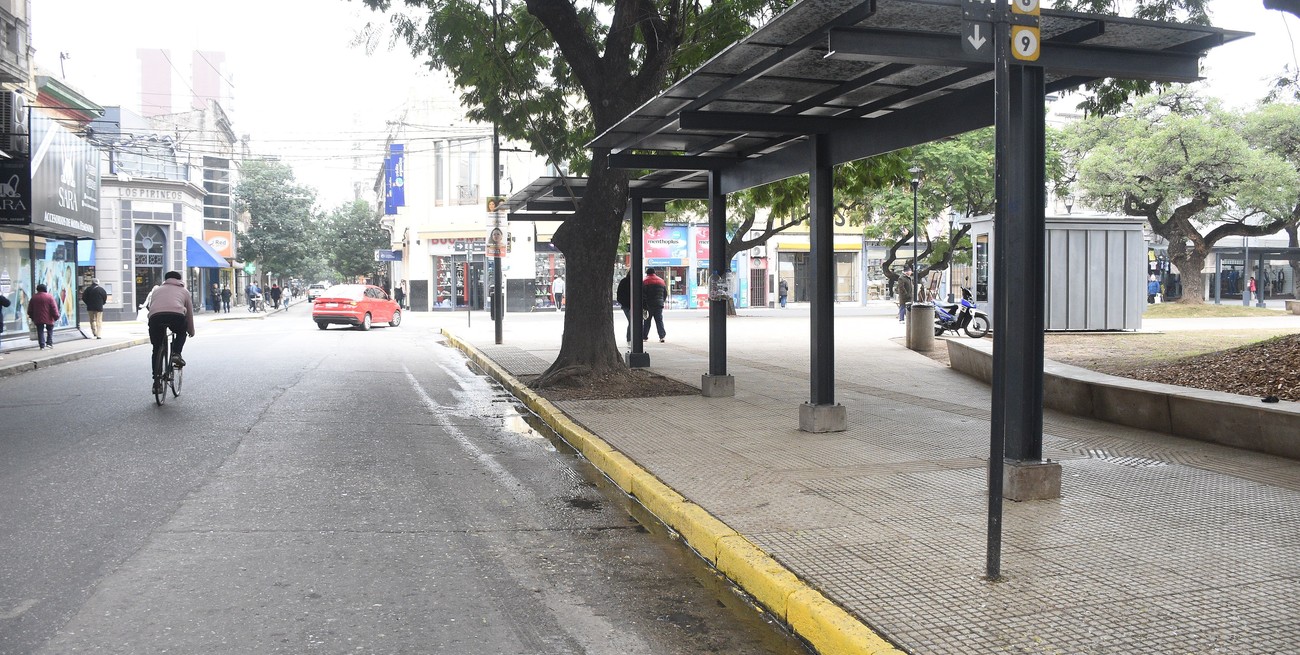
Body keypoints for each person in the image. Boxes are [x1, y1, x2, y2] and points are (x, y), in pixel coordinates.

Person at [147, 271, 195, 393]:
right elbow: (189, 313)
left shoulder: (157, 290)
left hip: (155, 318)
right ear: (180, 280)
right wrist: (190, 330)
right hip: (176, 316)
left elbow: (152, 307)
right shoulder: (184, 291)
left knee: (156, 348)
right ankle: (176, 354)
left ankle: (156, 382)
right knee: (180, 332)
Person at [27, 283, 60, 350]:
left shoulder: (34, 297)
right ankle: (49, 343)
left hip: (38, 317)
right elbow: (54, 308)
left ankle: (42, 345)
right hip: (49, 317)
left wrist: (31, 316)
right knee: (50, 329)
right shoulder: (49, 297)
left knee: (40, 331)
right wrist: (56, 316)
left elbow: (30, 309)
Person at [642, 267, 668, 342]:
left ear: (647, 273)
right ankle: (662, 336)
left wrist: (644, 305)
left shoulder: (645, 281)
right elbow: (665, 293)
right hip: (659, 304)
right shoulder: (661, 281)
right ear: (654, 272)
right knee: (659, 320)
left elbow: (643, 294)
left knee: (647, 321)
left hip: (649, 304)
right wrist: (662, 301)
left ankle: (644, 336)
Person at [616, 273, 632, 343]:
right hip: (628, 305)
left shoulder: (623, 281)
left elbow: (619, 294)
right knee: (632, 321)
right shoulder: (638, 282)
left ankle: (629, 338)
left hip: (626, 305)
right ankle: (629, 338)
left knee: (631, 321)